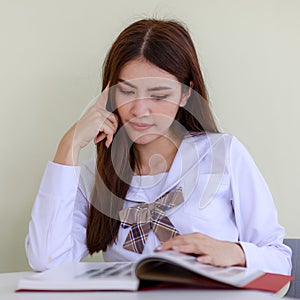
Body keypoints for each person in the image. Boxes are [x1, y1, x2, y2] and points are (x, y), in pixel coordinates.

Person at [25, 18, 292, 275]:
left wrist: (235, 253)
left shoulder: (224, 155)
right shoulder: (95, 178)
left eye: (159, 95)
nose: (140, 110)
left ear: (186, 93)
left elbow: (280, 259)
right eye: (127, 92)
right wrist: (68, 145)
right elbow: (46, 261)